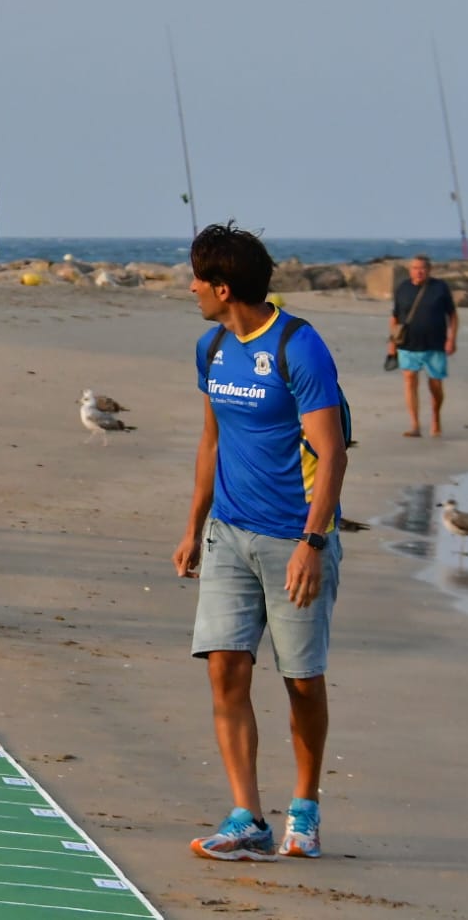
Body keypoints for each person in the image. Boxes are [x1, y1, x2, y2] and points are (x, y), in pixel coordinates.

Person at [172, 223, 348, 862]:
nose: (189, 288)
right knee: (225, 667)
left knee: (301, 680)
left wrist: (313, 542)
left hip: (294, 540)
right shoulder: (211, 345)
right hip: (228, 533)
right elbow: (211, 440)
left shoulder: (299, 347)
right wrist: (194, 525)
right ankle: (247, 815)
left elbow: (331, 455)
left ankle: (305, 809)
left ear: (223, 286)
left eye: (197, 278)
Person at [388, 254, 458, 437]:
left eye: (422, 268)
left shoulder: (440, 288)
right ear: (410, 270)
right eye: (415, 268)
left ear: (429, 270)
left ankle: (436, 417)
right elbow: (395, 317)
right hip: (408, 343)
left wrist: (451, 339)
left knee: (435, 384)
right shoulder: (402, 288)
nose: (418, 271)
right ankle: (415, 424)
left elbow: (452, 315)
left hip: (435, 344)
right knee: (410, 379)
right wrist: (392, 342)